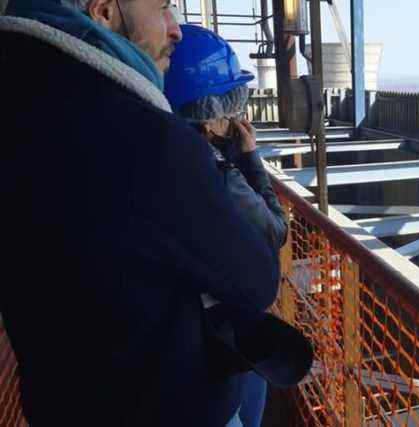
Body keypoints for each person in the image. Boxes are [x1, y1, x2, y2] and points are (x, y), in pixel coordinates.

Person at [0, 0, 284, 425]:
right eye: (162, 7)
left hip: (59, 402)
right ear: (103, 10)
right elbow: (257, 281)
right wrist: (247, 161)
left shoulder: (20, 107)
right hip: (166, 407)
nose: (175, 29)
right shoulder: (148, 141)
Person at [163, 24, 289, 427]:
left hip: (167, 348)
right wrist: (248, 161)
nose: (233, 114)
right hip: (216, 344)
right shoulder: (212, 171)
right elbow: (275, 231)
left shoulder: (154, 156)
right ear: (209, 111)